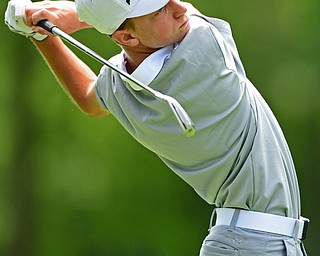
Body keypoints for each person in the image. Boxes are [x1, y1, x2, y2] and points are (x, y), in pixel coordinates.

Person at [5, 0, 309, 255]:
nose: (177, 8)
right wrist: (75, 15)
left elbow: (88, 97)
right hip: (255, 243)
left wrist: (43, 36)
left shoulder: (120, 87)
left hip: (246, 241)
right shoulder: (205, 49)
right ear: (127, 38)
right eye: (159, 10)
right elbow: (190, 12)